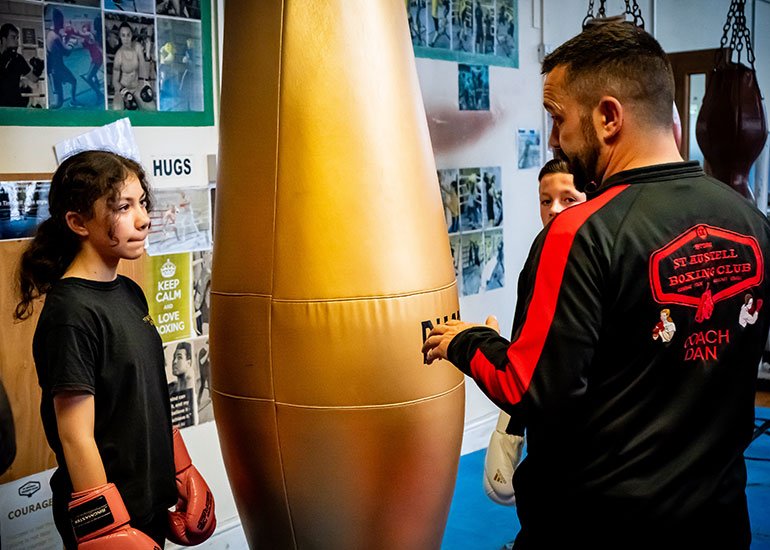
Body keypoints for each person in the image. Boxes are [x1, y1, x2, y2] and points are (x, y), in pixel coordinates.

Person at [423, 21, 770, 548]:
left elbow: (528, 387)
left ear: (608, 117)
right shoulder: (750, 220)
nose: (556, 139)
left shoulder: (578, 235)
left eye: (559, 120)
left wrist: (466, 340)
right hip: (718, 526)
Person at [14, 150, 215, 549]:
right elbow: (74, 436)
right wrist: (106, 530)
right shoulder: (71, 313)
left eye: (141, 202)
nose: (142, 218)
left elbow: (142, 395)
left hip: (147, 501)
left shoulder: (129, 292)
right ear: (77, 222)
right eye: (123, 207)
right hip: (112, 512)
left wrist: (179, 466)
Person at [482, 161, 585, 550]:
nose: (555, 210)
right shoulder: (540, 256)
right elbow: (526, 350)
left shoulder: (596, 258)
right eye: (546, 200)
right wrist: (509, 429)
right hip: (546, 428)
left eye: (568, 199)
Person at [111, 22, 154, 111]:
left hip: (136, 87)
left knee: (152, 109)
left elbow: (143, 69)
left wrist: (145, 83)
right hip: (122, 89)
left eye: (128, 35)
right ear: (120, 37)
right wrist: (124, 91)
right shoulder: (119, 55)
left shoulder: (137, 47)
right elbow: (115, 81)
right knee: (117, 109)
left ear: (131, 35)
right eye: (123, 35)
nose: (126, 38)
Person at [0, 23, 42, 107]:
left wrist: (38, 68)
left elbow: (34, 79)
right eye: (13, 37)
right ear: (4, 39)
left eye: (17, 38)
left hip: (14, 103)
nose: (16, 41)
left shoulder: (18, 59)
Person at [46, 8, 79, 109]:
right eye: (61, 20)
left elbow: (60, 47)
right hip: (55, 71)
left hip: (58, 68)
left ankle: (73, 101)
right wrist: (72, 43)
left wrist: (66, 38)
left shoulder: (52, 33)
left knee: (73, 81)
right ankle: (45, 111)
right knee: (58, 103)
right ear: (57, 20)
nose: (62, 23)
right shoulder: (55, 37)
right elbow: (66, 52)